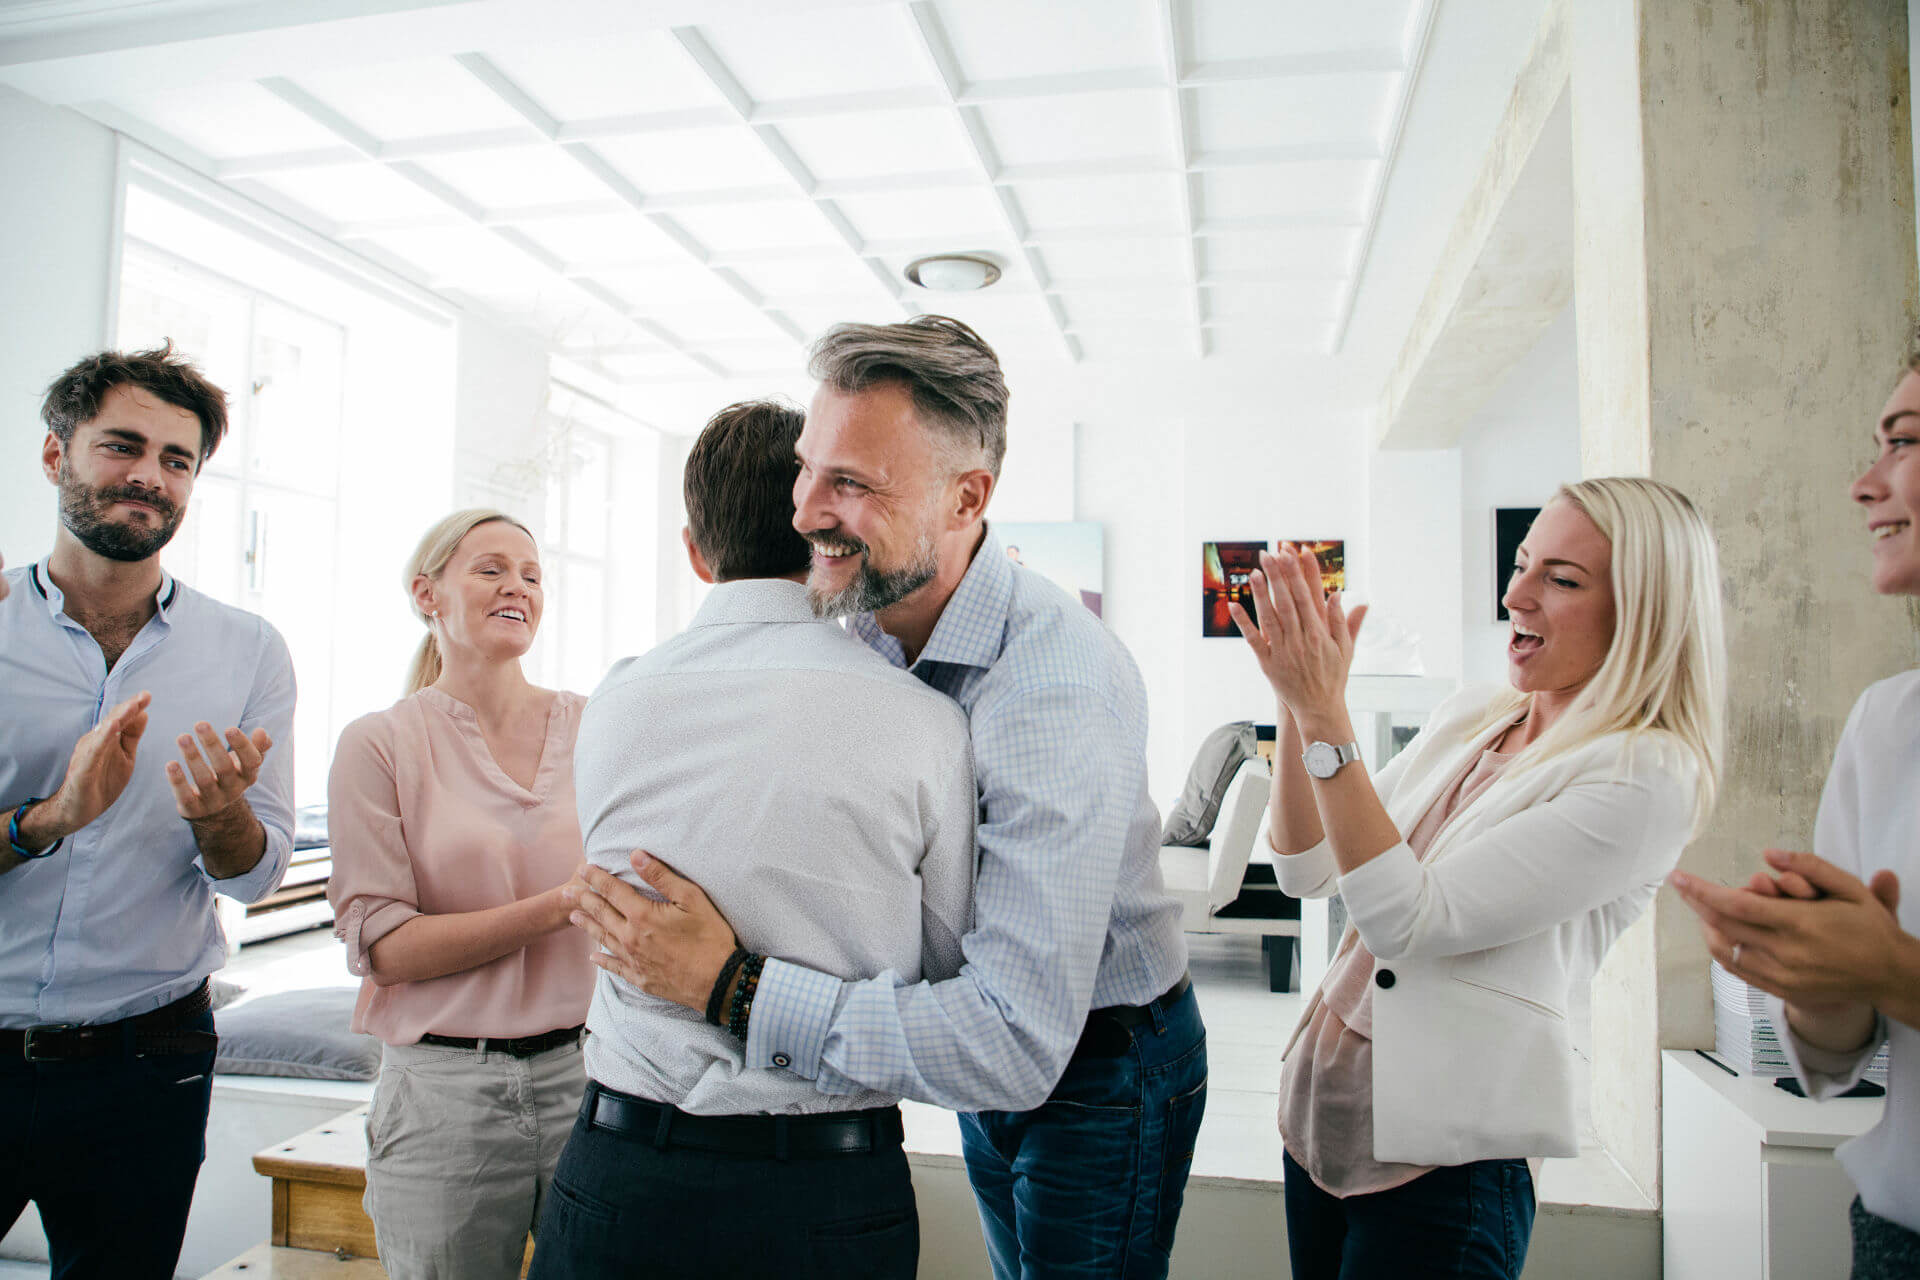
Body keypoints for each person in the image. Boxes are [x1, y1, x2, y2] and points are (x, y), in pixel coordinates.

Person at [562, 318, 1205, 1279]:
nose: (805, 510)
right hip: (985, 1040)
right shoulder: (859, 622)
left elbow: (1014, 1041)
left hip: (1103, 1062)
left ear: (968, 497)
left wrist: (730, 986)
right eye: (809, 470)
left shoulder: (1054, 688)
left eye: (851, 484)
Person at [530, 399, 975, 1279]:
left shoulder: (614, 702)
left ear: (696, 550)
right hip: (826, 1190)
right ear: (830, 534)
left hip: (620, 1169)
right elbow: (947, 975)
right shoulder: (925, 723)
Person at [1237, 479, 1725, 1279]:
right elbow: (1305, 866)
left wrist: (1327, 713)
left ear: (1644, 613)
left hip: (1443, 1176)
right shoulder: (1478, 713)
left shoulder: (1646, 775)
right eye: (1523, 563)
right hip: (1321, 1132)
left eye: (1561, 580)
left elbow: (1409, 920)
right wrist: (1294, 704)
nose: (1515, 594)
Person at [1, 344, 296, 1278]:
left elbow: (255, 873)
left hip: (153, 1049)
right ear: (56, 456)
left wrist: (221, 820)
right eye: (122, 447)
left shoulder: (247, 650)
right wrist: (50, 818)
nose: (149, 477)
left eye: (177, 460)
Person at [1671, 349, 1920, 1279]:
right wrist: (1819, 987)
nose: (1864, 486)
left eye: (1903, 443)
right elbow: (1838, 1058)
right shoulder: (1887, 724)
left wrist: (1897, 971)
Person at [326, 510, 594, 1280]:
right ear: (427, 594)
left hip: (589, 1079)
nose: (518, 585)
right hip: (445, 1099)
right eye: (491, 568)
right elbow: (387, 950)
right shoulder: (378, 743)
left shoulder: (593, 724)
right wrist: (558, 905)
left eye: (533, 575)